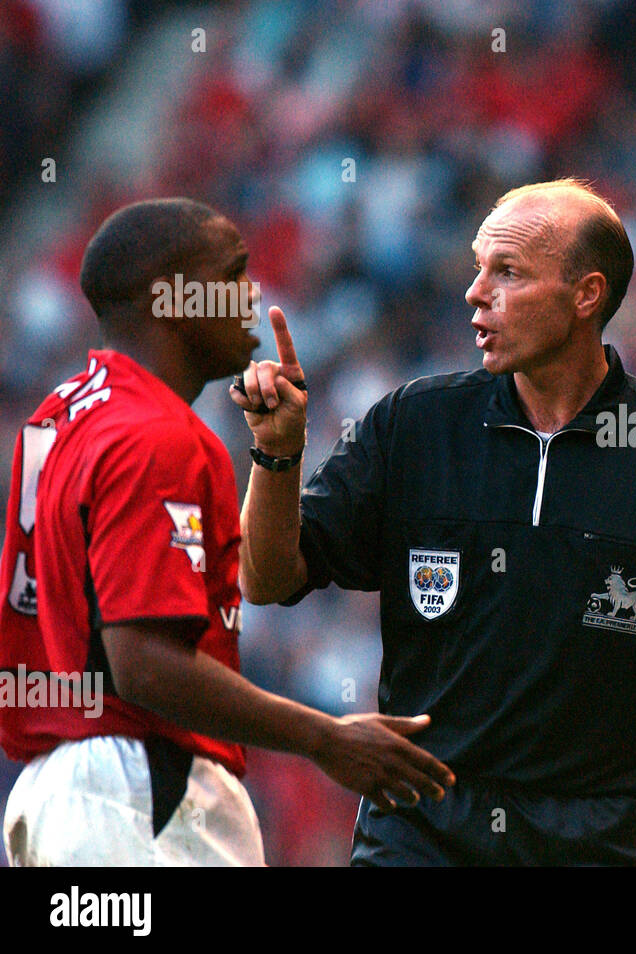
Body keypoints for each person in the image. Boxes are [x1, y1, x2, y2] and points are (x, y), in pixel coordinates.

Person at [234, 178, 636, 866]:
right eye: (479, 267)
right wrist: (277, 453)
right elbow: (267, 579)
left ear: (586, 295)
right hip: (422, 829)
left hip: (605, 842)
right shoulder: (413, 423)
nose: (476, 292)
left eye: (506, 272)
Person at [0, 198, 453, 866]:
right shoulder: (156, 433)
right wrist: (325, 738)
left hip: (62, 794)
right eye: (233, 274)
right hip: (139, 792)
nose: (251, 294)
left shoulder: (59, 414)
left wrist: (275, 456)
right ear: (173, 297)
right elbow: (144, 664)